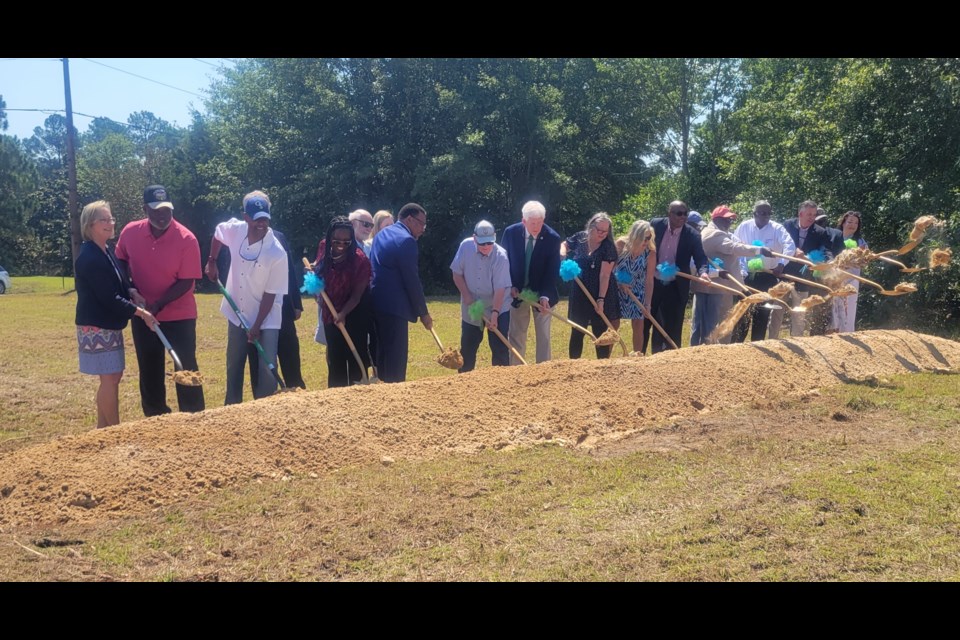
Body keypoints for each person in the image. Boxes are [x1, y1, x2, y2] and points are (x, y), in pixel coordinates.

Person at [115, 185, 204, 416]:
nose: (162, 216)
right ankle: (155, 416)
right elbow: (120, 260)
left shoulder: (187, 239)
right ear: (145, 209)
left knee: (185, 364)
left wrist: (159, 304)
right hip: (143, 314)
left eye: (166, 210)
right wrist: (130, 288)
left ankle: (193, 415)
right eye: (156, 211)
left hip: (179, 315)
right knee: (149, 366)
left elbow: (186, 281)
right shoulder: (130, 232)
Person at [75, 200, 157, 428]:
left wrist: (130, 290)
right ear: (89, 224)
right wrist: (142, 313)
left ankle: (103, 430)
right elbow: (108, 298)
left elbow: (117, 283)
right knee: (110, 378)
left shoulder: (105, 250)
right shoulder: (90, 257)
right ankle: (113, 431)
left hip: (108, 325)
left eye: (111, 218)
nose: (110, 223)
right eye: (104, 219)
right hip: (96, 327)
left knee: (113, 376)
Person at [205, 191, 288, 403]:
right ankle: (231, 407)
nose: (261, 223)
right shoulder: (235, 230)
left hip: (267, 317)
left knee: (267, 366)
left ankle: (265, 409)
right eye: (256, 218)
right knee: (234, 362)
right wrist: (212, 261)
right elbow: (217, 233)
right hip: (237, 312)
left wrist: (257, 325)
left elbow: (270, 295)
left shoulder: (277, 253)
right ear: (245, 217)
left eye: (265, 218)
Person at [690, 205, 771, 346]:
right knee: (719, 323)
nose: (730, 223)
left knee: (707, 324)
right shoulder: (714, 234)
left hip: (716, 286)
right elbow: (733, 247)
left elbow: (736, 243)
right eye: (727, 220)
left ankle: (710, 349)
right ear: (717, 219)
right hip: (716, 287)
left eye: (731, 220)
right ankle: (716, 352)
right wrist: (759, 250)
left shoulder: (717, 232)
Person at [370, 202, 432, 383]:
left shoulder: (382, 234)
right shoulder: (407, 241)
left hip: (376, 304)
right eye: (421, 223)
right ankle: (396, 397)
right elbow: (411, 280)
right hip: (395, 309)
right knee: (396, 360)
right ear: (409, 219)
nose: (423, 229)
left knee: (382, 354)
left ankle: (382, 390)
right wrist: (424, 313)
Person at [502, 200, 562, 364]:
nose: (536, 227)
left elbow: (552, 271)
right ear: (524, 221)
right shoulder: (510, 233)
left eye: (540, 222)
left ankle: (543, 370)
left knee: (543, 335)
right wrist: (510, 285)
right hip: (517, 292)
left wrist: (545, 296)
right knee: (516, 333)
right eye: (532, 223)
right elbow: (504, 262)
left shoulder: (552, 238)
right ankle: (516, 369)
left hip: (542, 293)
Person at [646, 201, 710, 353]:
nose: (683, 217)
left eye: (685, 213)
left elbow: (701, 258)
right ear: (670, 214)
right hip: (652, 281)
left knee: (674, 323)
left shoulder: (692, 235)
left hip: (676, 284)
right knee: (649, 320)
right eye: (679, 213)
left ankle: (673, 357)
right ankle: (647, 355)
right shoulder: (655, 225)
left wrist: (704, 273)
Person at [315, 216, 372, 387]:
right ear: (330, 237)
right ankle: (336, 401)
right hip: (330, 312)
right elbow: (319, 268)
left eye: (346, 242)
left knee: (355, 360)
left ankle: (358, 400)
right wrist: (314, 273)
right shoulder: (324, 247)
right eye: (337, 241)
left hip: (355, 313)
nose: (341, 245)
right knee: (335, 359)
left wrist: (343, 313)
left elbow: (356, 296)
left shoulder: (360, 260)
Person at [248, 227, 306, 390]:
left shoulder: (279, 237)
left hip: (284, 308)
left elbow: (290, 272)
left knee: (290, 353)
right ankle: (262, 396)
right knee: (258, 357)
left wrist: (296, 303)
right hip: (255, 310)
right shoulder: (244, 241)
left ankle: (296, 389)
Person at [450, 220, 512, 372]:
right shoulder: (465, 246)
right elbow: (456, 273)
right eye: (482, 243)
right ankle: (464, 382)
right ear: (474, 238)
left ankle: (502, 382)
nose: (485, 247)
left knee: (500, 349)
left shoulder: (501, 256)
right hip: (471, 304)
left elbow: (500, 289)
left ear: (495, 238)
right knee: (468, 347)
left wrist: (495, 314)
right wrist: (466, 295)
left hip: (497, 306)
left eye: (489, 243)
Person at [733, 200, 796, 341]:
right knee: (743, 312)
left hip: (768, 276)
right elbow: (735, 244)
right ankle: (737, 345)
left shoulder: (777, 228)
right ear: (754, 213)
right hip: (746, 276)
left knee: (762, 313)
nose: (766, 216)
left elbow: (789, 245)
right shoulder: (744, 226)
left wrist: (781, 264)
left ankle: (758, 345)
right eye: (762, 213)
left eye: (768, 213)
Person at [562, 212, 620, 359]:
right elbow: (564, 244)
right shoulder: (580, 237)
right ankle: (573, 365)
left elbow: (605, 275)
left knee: (600, 330)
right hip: (580, 289)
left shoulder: (608, 247)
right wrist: (562, 255)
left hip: (600, 290)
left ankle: (602, 366)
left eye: (605, 231)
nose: (601, 234)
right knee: (577, 329)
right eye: (598, 230)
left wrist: (601, 299)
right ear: (591, 226)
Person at [783, 200, 834, 337]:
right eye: (809, 214)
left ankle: (797, 340)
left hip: (803, 277)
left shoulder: (820, 232)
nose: (812, 217)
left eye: (814, 214)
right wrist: (792, 251)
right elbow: (779, 242)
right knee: (777, 309)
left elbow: (826, 250)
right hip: (784, 273)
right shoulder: (787, 225)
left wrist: (829, 262)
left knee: (800, 310)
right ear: (800, 214)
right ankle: (772, 340)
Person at [616, 219, 657, 353]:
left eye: (649, 238)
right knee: (613, 323)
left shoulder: (650, 252)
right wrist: (618, 282)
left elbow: (649, 280)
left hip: (637, 291)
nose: (646, 241)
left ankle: (637, 357)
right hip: (617, 289)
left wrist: (647, 304)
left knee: (639, 324)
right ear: (636, 236)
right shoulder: (621, 245)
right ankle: (605, 357)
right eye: (644, 238)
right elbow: (609, 269)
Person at [832, 211, 868, 333]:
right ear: (843, 223)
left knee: (849, 309)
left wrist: (862, 256)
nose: (853, 225)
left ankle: (848, 334)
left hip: (852, 279)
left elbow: (865, 260)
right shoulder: (834, 237)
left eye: (856, 223)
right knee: (834, 309)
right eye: (850, 222)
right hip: (834, 279)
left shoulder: (860, 242)